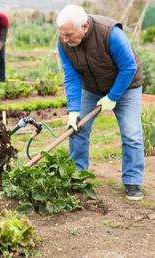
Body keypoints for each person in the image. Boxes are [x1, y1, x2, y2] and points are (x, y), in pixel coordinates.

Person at [56, 5, 145, 200]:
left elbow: (128, 67)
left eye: (69, 34)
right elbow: (71, 77)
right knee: (77, 129)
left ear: (85, 27)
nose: (65, 39)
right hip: (92, 88)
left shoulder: (110, 33)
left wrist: (113, 97)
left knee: (132, 134)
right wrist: (73, 111)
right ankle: (78, 175)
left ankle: (132, 181)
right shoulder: (64, 43)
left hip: (127, 85)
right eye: (62, 34)